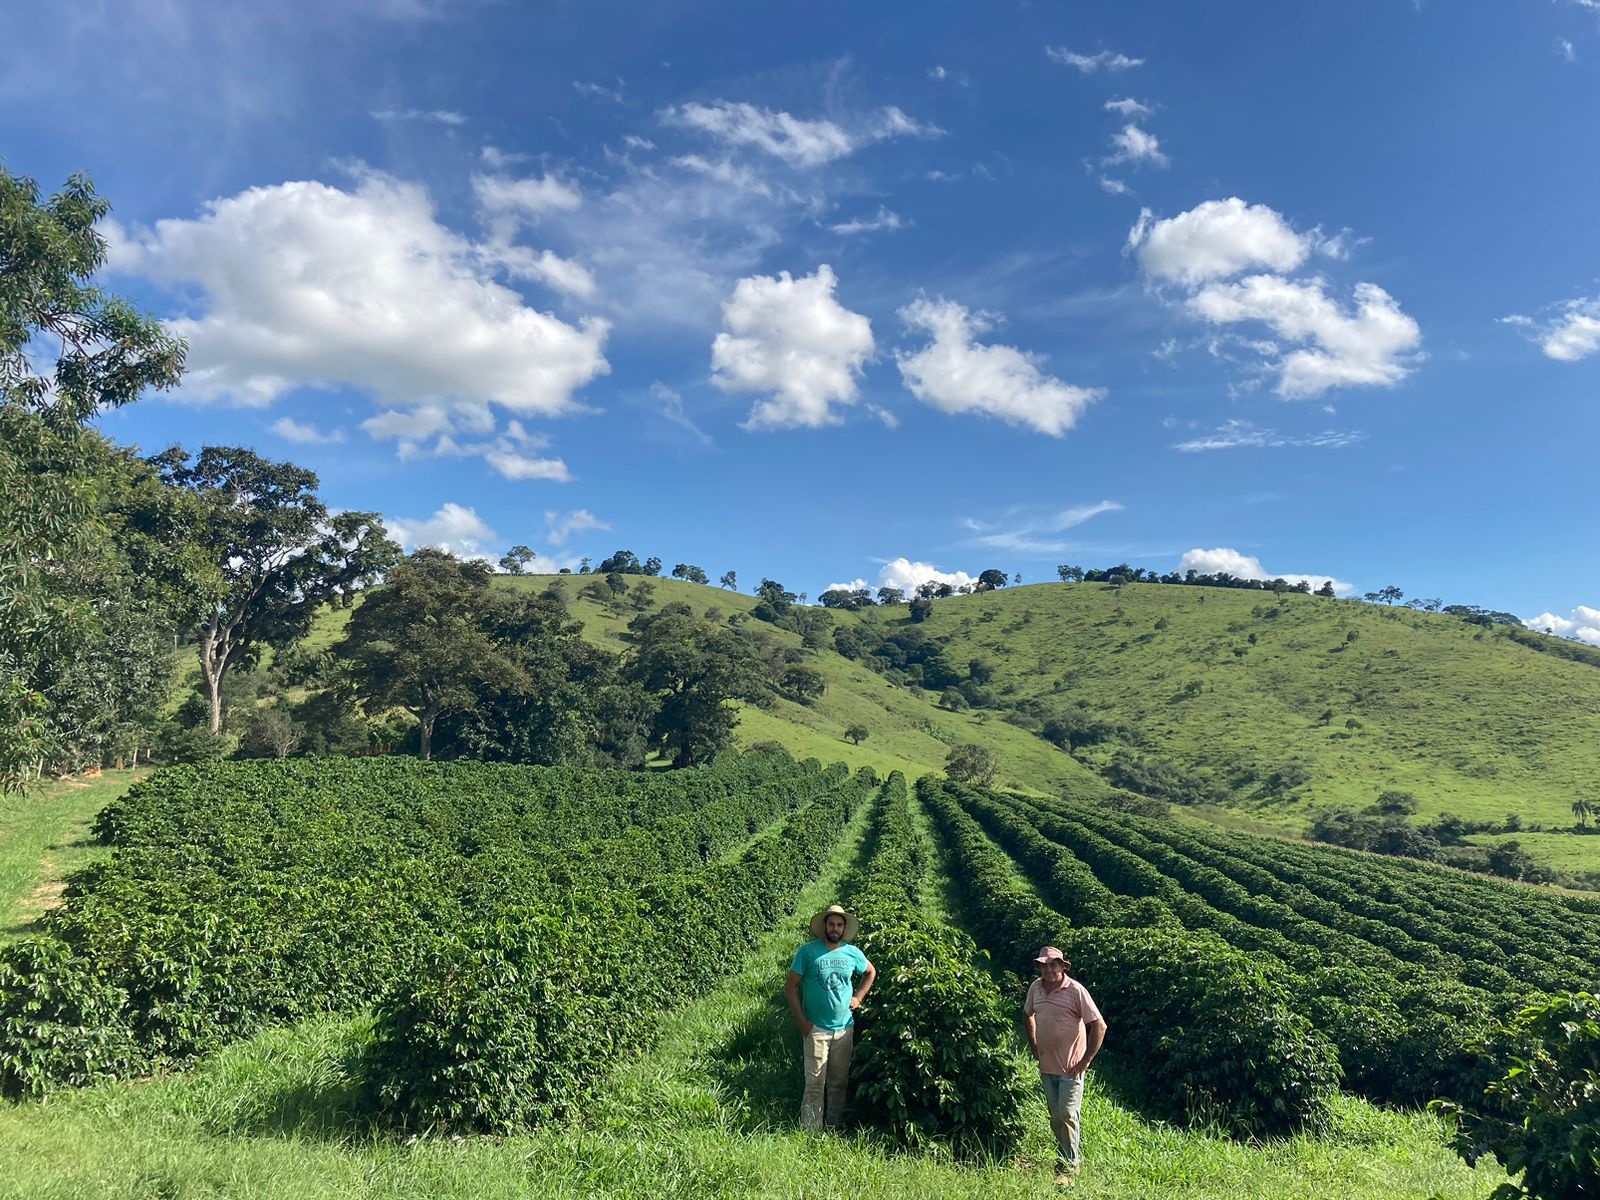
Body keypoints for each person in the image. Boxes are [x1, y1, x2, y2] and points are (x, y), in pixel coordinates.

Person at [785, 903, 876, 1131]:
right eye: (831, 924)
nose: (835, 928)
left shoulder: (852, 953)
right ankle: (811, 1131)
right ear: (824, 926)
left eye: (839, 924)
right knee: (815, 1084)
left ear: (844, 928)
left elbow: (870, 972)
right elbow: (791, 987)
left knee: (838, 1083)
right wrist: (803, 1024)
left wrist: (858, 998)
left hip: (844, 1028)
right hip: (816, 1029)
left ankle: (834, 1126)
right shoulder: (808, 952)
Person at [1023, 946, 1106, 1185]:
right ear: (1038, 967)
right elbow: (1027, 1014)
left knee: (1067, 1114)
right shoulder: (1035, 988)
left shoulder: (1076, 990)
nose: (1048, 969)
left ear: (1062, 967)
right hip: (1047, 1066)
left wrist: (1086, 1060)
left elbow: (1099, 1025)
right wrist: (1034, 1044)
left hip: (1071, 1068)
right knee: (1055, 1116)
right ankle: (1064, 1156)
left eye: (1053, 964)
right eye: (1044, 965)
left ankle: (1069, 1167)